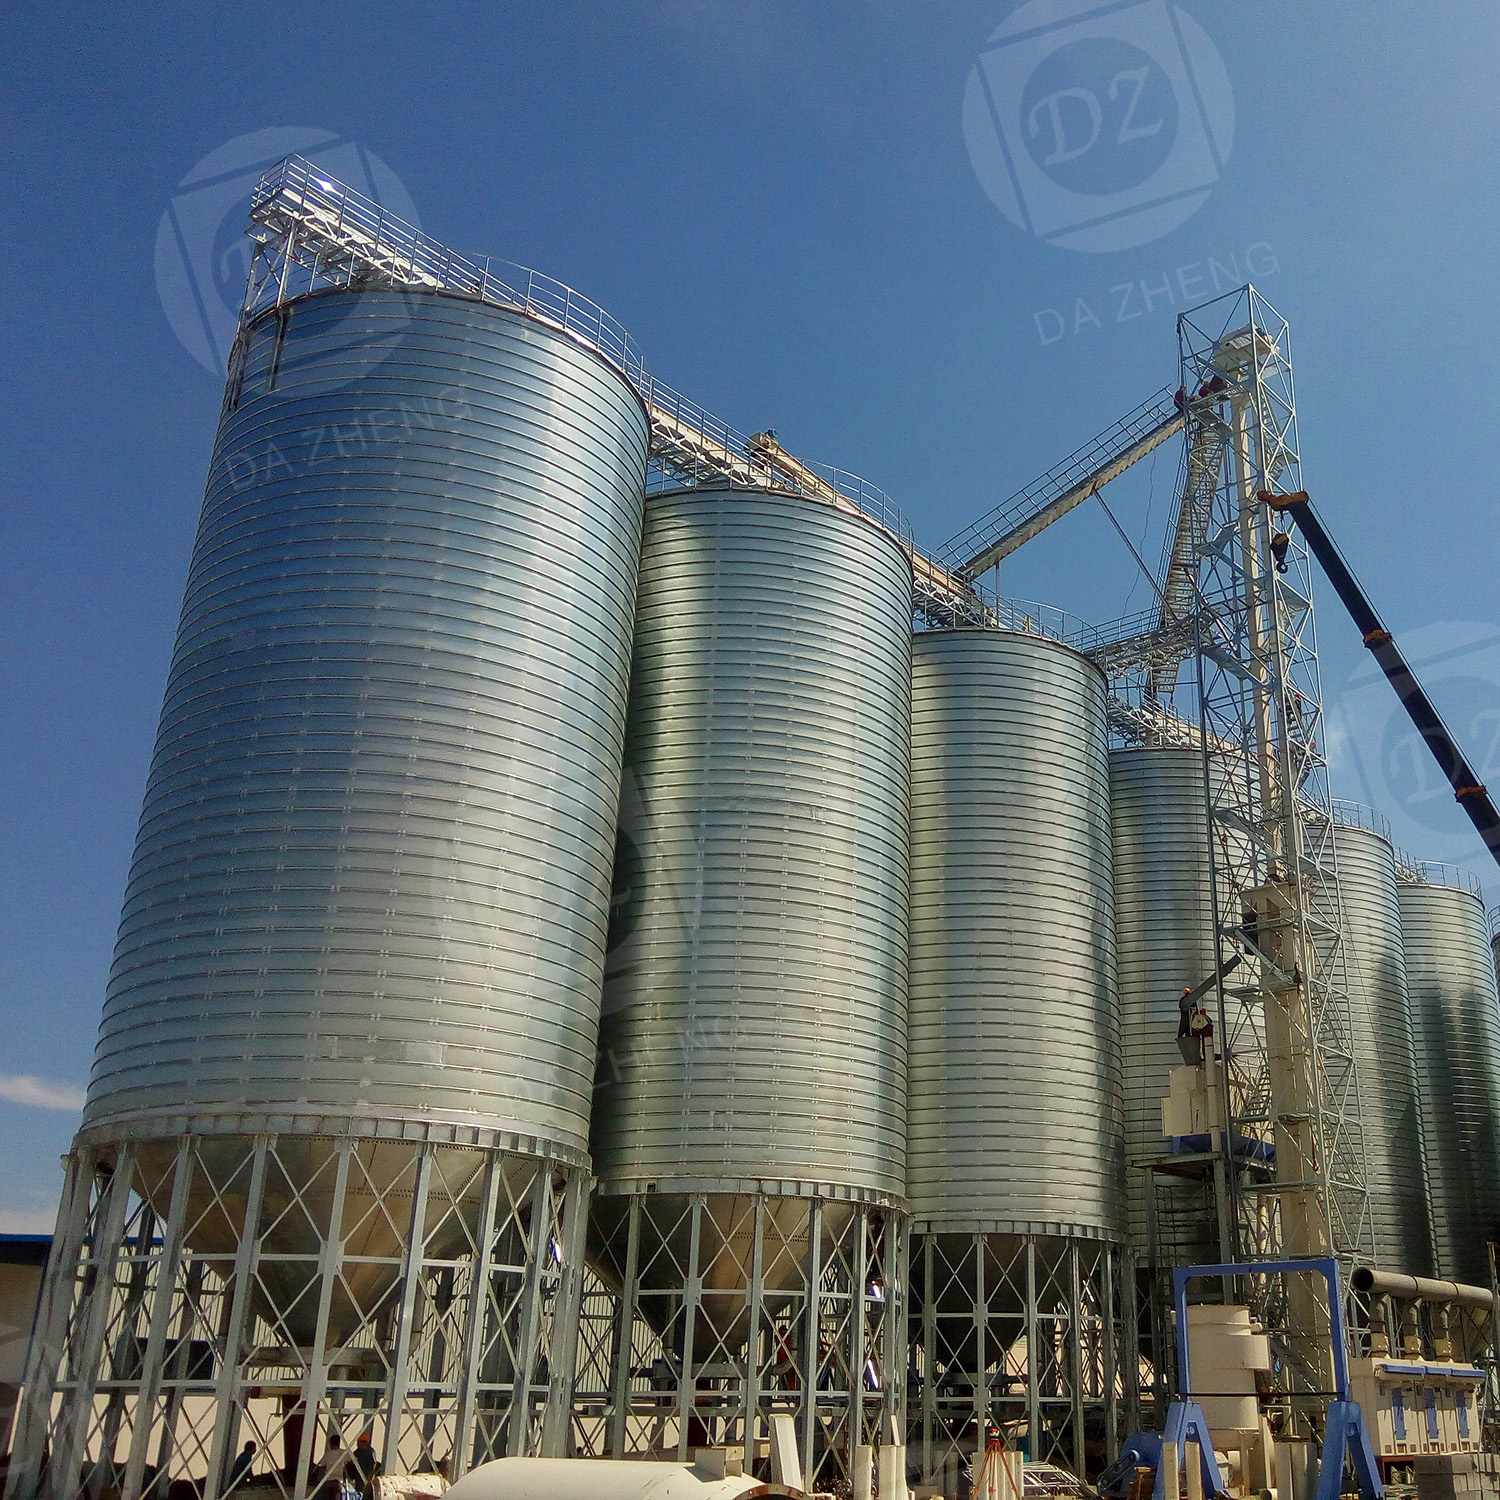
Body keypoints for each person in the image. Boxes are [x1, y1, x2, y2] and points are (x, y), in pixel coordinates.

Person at [315, 1433, 350, 1500]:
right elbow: (352, 1461)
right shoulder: (343, 1453)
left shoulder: (327, 1454)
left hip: (328, 1481)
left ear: (330, 1443)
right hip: (338, 1482)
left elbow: (322, 1468)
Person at [349, 1434, 379, 1500]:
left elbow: (374, 1464)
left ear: (363, 1442)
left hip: (367, 1476)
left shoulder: (370, 1452)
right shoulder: (357, 1452)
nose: (357, 1445)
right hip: (359, 1477)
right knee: (359, 1492)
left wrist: (371, 1476)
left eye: (358, 1443)